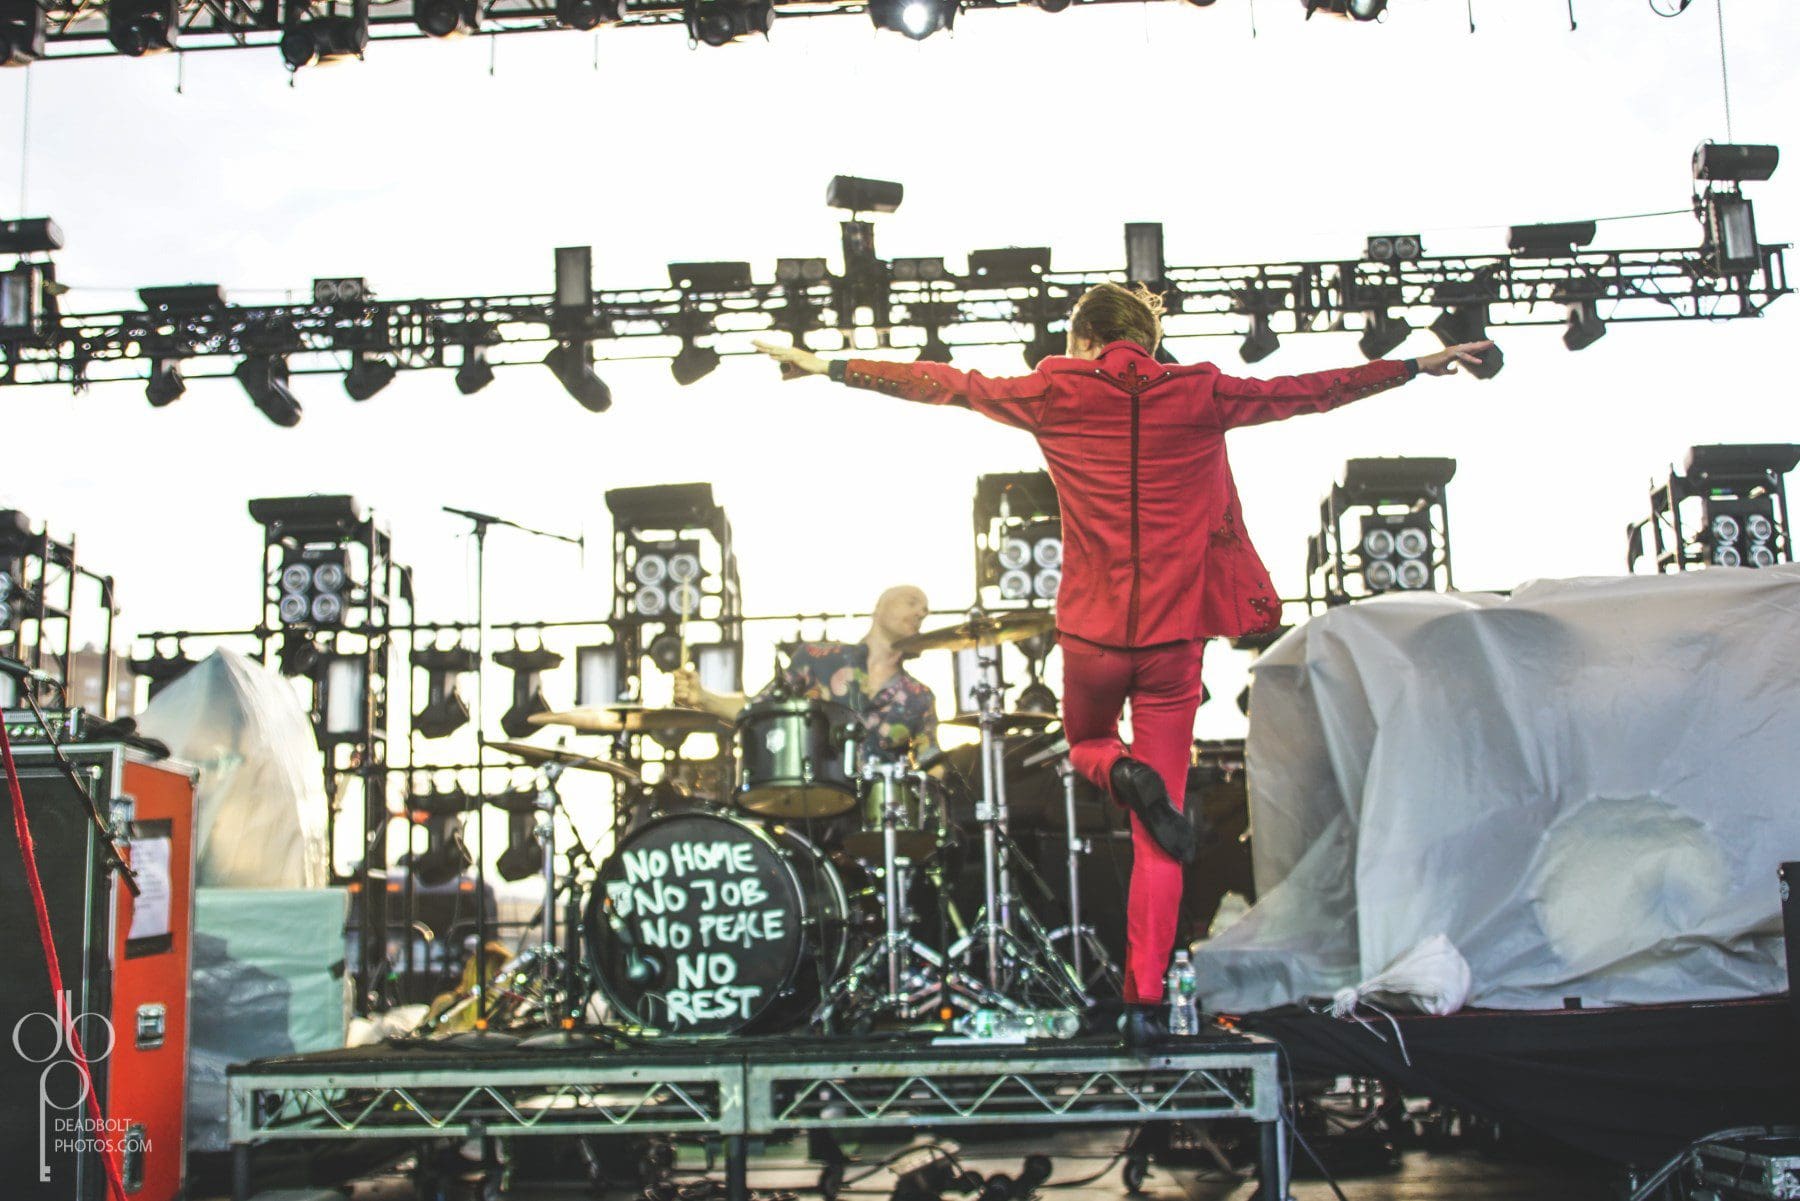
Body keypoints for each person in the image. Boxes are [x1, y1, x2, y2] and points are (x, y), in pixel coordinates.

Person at [751, 284, 1491, 1042]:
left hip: (1094, 634)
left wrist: (825, 364)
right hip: (1175, 641)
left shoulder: (1053, 389)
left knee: (1087, 745)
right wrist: (1414, 365)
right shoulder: (1202, 390)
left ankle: (1118, 769)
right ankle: (1144, 1005)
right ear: (1148, 339)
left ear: (1082, 340)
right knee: (1156, 838)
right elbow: (1311, 390)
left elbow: (941, 383)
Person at [674, 583, 941, 765]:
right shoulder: (817, 658)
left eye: (925, 610)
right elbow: (759, 710)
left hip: (881, 819)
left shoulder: (919, 696)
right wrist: (703, 697)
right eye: (912, 602)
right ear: (879, 608)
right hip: (811, 806)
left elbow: (931, 762)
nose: (921, 612)